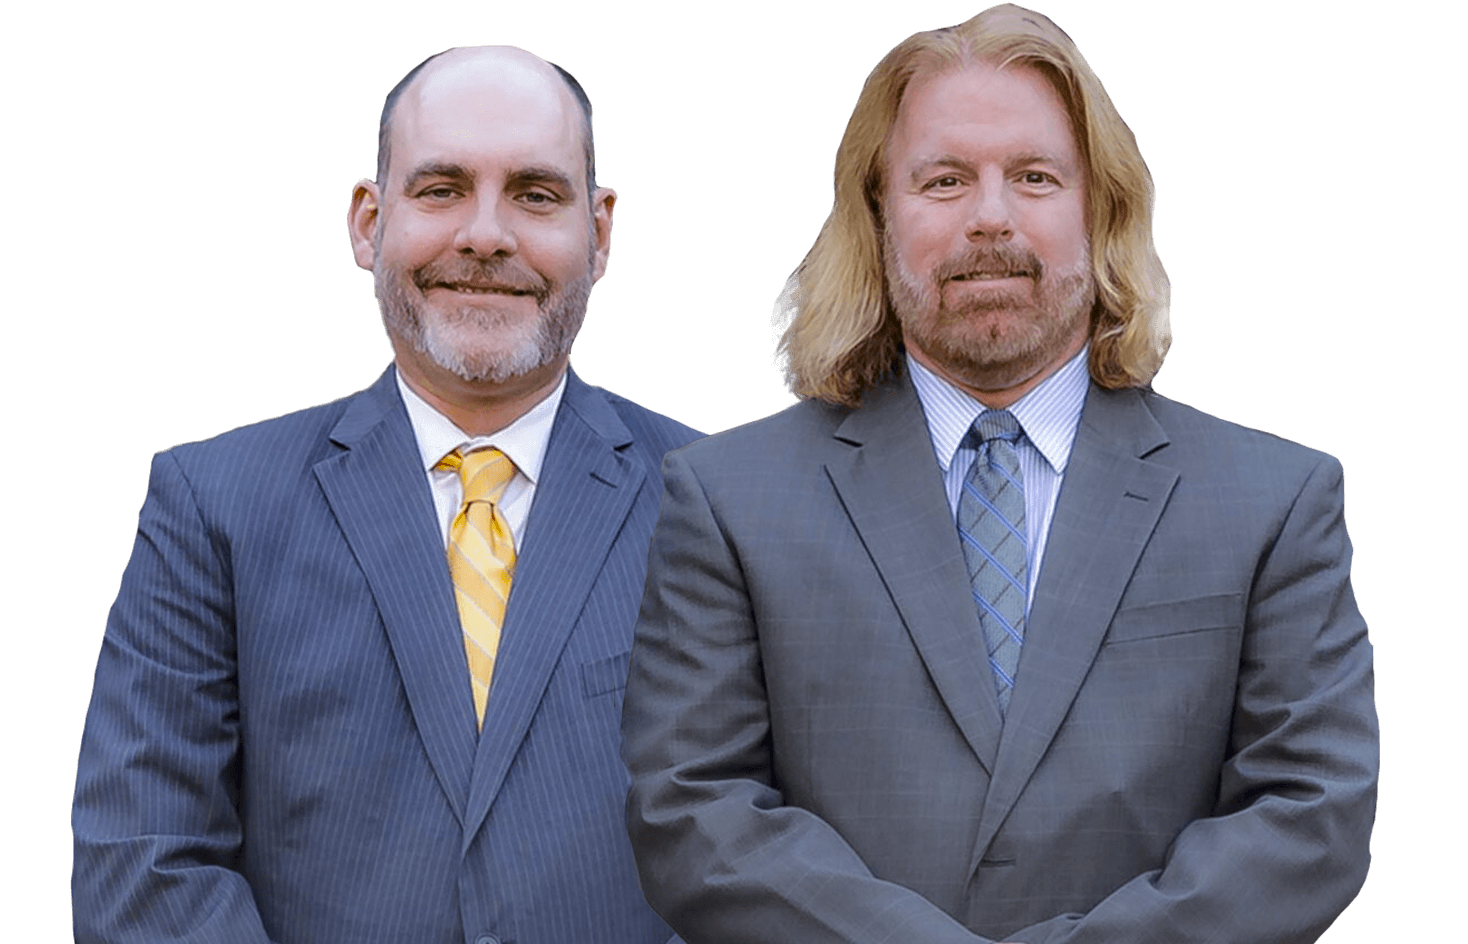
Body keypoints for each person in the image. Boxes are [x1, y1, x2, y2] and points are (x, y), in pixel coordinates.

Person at [621, 5, 1378, 943]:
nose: (989, 217)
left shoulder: (1274, 503)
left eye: (1034, 177)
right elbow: (694, 813)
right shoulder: (728, 500)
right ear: (878, 214)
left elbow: (1309, 817)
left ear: (1101, 209)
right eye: (944, 180)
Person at [72, 46, 697, 944]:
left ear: (600, 233)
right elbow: (147, 862)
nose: (486, 235)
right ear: (368, 222)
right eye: (441, 189)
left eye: (535, 194)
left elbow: (781, 838)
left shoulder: (718, 504)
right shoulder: (212, 509)